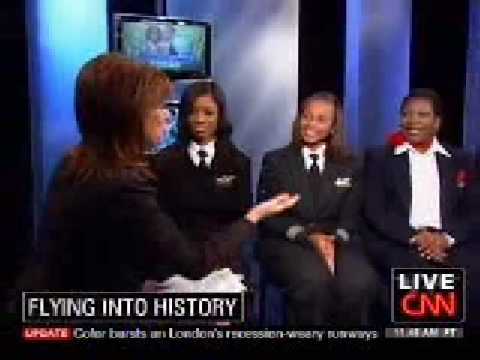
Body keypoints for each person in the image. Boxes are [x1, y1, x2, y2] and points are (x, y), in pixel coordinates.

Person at [25, 53, 299, 292]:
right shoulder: (125, 185)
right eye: (158, 107)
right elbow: (195, 264)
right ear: (128, 115)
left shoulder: (77, 162)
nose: (168, 116)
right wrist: (256, 215)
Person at [257, 92, 377, 326]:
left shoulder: (351, 165)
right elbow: (270, 216)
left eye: (321, 119)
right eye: (306, 116)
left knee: (360, 282)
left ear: (333, 127)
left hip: (337, 241)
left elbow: (351, 216)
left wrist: (333, 241)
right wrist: (308, 237)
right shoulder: (276, 161)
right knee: (313, 282)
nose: (310, 124)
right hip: (289, 240)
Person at [363, 88, 473, 276]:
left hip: (449, 242)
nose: (412, 121)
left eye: (422, 115)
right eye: (406, 114)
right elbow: (376, 210)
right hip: (400, 241)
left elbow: (472, 211)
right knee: (415, 271)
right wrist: (417, 237)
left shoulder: (461, 160)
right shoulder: (380, 159)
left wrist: (445, 239)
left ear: (437, 122)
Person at [151, 81, 252, 276]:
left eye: (208, 113)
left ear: (220, 116)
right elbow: (161, 221)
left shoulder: (239, 163)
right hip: (177, 254)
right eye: (193, 112)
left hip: (225, 253)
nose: (199, 119)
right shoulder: (163, 163)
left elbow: (241, 218)